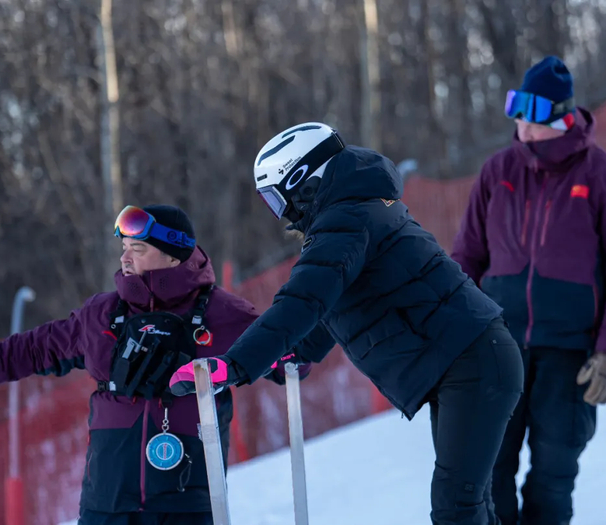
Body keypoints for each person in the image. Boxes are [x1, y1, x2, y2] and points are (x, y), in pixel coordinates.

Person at [170, 122, 525, 525]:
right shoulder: (359, 209)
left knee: (456, 506)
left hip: (472, 362)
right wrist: (296, 352)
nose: (281, 213)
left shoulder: (346, 220)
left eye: (276, 198)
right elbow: (335, 300)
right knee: (469, 506)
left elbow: (303, 300)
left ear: (302, 182)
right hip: (472, 359)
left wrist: (236, 364)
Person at [450, 56, 606, 525]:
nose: (521, 125)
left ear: (562, 117)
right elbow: (466, 259)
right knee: (489, 472)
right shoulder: (497, 172)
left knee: (553, 478)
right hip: (498, 349)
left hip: (570, 354)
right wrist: (453, 336)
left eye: (532, 114)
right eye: (516, 110)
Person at [0, 204, 260, 525]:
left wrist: (289, 354)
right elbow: (31, 350)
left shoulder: (225, 314)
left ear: (174, 257)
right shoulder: (101, 314)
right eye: (124, 248)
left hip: (188, 507)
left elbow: (287, 350)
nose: (125, 258)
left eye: (138, 249)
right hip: (106, 506)